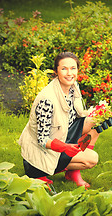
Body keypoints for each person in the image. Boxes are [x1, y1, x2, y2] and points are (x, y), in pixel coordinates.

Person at [19, 52, 99, 189]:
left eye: (73, 68)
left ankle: (73, 173)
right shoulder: (47, 100)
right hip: (39, 155)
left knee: (96, 122)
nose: (69, 73)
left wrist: (101, 115)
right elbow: (42, 140)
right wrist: (66, 148)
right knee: (92, 158)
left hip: (62, 137)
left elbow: (76, 117)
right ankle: (38, 174)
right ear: (56, 71)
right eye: (64, 69)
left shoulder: (73, 88)